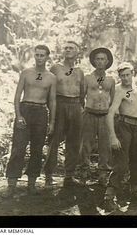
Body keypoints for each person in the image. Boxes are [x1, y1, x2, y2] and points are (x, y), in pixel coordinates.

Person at [5, 45, 56, 196]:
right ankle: (11, 185)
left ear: (47, 57)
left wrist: (52, 122)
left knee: (37, 149)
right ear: (34, 56)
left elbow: (52, 101)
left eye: (42, 55)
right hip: (25, 109)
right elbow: (17, 96)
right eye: (37, 55)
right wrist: (19, 115)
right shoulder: (26, 73)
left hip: (41, 112)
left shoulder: (51, 77)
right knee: (18, 148)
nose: (39, 58)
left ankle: (32, 184)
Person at [103, 62, 137, 212]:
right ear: (119, 77)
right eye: (122, 76)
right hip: (123, 126)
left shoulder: (134, 84)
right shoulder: (119, 90)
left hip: (136, 127)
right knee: (121, 163)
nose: (125, 78)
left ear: (132, 74)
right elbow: (110, 113)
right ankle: (109, 197)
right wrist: (112, 136)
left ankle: (134, 191)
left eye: (128, 75)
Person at [43, 41, 84, 187]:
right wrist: (51, 110)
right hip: (59, 104)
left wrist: (80, 108)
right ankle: (48, 175)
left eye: (71, 48)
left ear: (77, 52)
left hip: (75, 105)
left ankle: (69, 176)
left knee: (73, 142)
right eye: (66, 48)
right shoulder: (56, 68)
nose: (68, 50)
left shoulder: (79, 71)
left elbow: (82, 93)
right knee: (54, 140)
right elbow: (49, 90)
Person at [80, 47, 116, 185]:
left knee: (104, 146)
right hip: (89, 114)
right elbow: (81, 97)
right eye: (97, 59)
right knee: (86, 145)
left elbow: (112, 100)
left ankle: (103, 175)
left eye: (103, 59)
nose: (100, 62)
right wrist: (86, 110)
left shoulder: (111, 80)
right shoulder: (87, 78)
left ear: (107, 62)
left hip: (104, 116)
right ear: (94, 61)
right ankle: (84, 174)